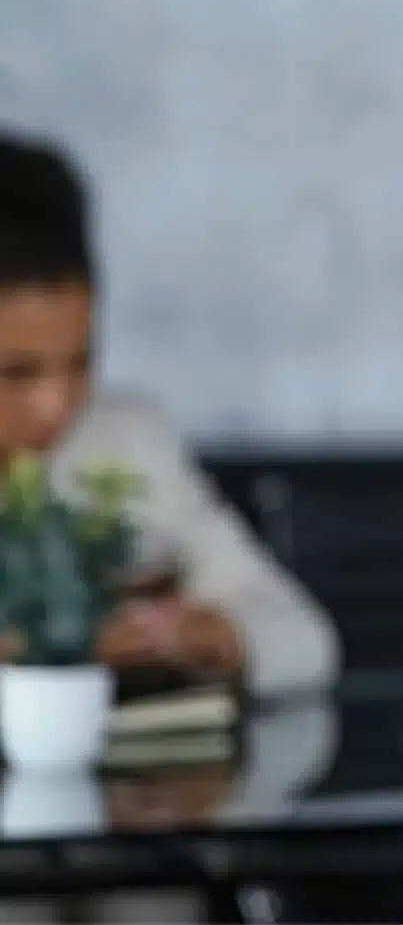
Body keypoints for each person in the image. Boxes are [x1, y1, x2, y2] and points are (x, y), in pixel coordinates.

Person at [0, 134, 338, 698]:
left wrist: (216, 636)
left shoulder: (132, 441)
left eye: (81, 361)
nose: (57, 405)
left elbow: (305, 640)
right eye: (15, 374)